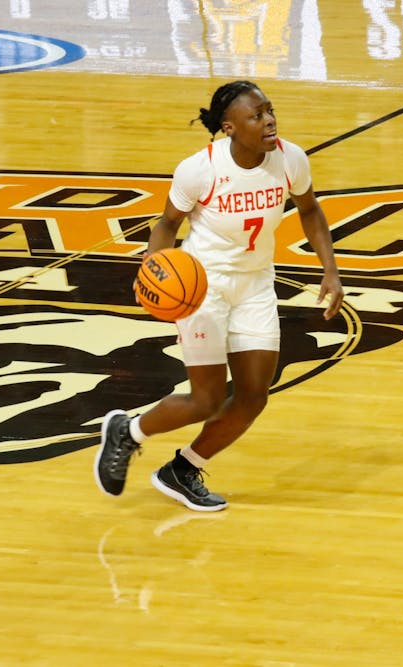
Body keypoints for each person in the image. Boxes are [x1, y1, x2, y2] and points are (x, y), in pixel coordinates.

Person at [94, 80, 344, 511]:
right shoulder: (200, 169)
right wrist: (152, 268)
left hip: (255, 284)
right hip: (202, 287)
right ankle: (128, 432)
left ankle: (183, 469)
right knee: (206, 399)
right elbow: (168, 223)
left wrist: (331, 269)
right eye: (256, 115)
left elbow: (310, 210)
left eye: (270, 111)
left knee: (253, 396)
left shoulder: (291, 159)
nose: (269, 121)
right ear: (229, 128)